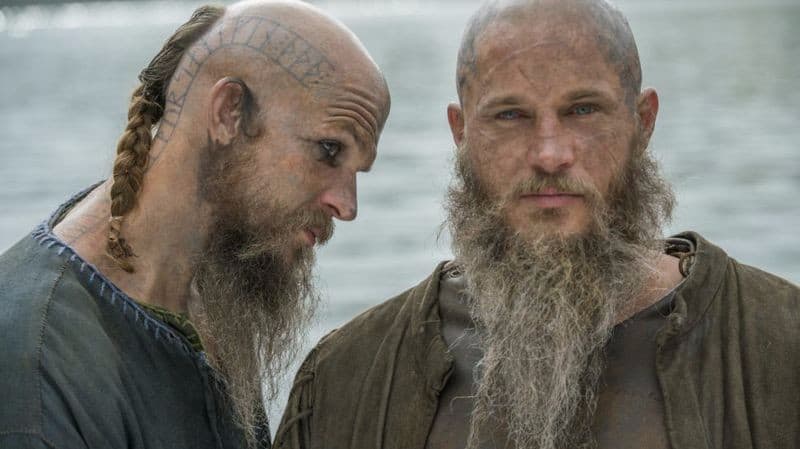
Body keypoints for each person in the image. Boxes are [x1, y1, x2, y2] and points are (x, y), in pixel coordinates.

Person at [273, 1, 799, 448]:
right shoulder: (347, 378)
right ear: (461, 133)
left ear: (643, 123)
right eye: (510, 115)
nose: (549, 154)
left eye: (583, 110)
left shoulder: (780, 344)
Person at [0, 0, 390, 448]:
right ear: (228, 113)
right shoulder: (34, 360)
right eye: (329, 150)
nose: (347, 206)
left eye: (356, 171)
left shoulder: (217, 291)